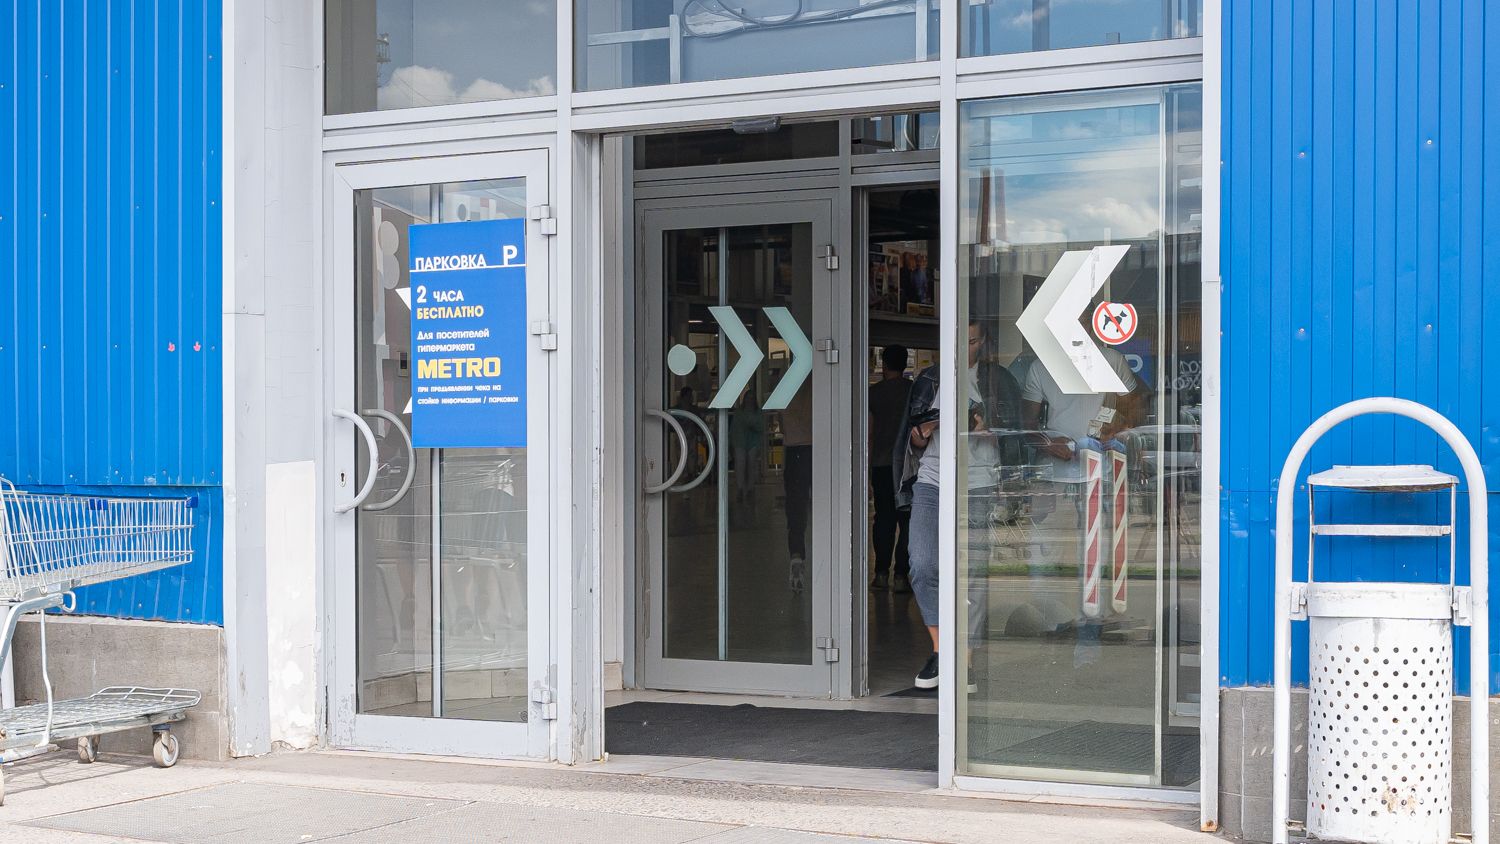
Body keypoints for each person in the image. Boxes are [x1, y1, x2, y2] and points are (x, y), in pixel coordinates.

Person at [898, 320, 1022, 690]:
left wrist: (989, 431)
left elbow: (1015, 438)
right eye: (958, 340)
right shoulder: (928, 379)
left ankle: (965, 658)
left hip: (979, 481)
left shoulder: (999, 381)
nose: (964, 348)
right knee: (922, 564)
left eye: (971, 341)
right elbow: (913, 441)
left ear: (983, 343)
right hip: (932, 480)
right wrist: (924, 432)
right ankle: (941, 650)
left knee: (973, 572)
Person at [1020, 344, 1143, 667]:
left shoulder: (1111, 359)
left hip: (1098, 473)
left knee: (1092, 561)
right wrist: (1049, 443)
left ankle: (1087, 640)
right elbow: (1027, 426)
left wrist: (1116, 429)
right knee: (1042, 566)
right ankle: (1058, 630)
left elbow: (1135, 407)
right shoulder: (1042, 365)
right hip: (1055, 476)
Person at [867, 345, 913, 592]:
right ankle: (901, 576)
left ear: (883, 364)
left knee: (883, 519)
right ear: (905, 365)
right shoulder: (913, 391)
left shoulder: (874, 394)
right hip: (908, 466)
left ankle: (881, 573)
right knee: (907, 520)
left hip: (882, 464)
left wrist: (867, 470)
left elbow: (869, 434)